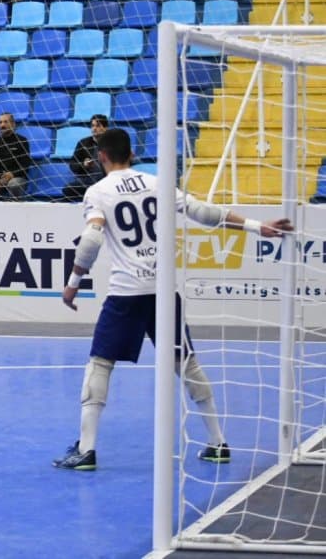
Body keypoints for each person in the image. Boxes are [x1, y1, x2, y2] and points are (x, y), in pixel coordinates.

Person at [54, 128, 293, 470]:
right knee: (186, 362)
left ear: (101, 157)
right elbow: (203, 212)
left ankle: (87, 450)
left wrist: (73, 282)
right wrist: (258, 226)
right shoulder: (156, 183)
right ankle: (218, 441)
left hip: (127, 292)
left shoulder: (97, 191)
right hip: (164, 289)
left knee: (101, 363)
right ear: (132, 155)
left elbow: (91, 238)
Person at [62, 114, 109, 203]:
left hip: (106, 181)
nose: (94, 129)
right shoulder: (83, 143)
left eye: (98, 126)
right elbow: (73, 165)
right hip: (88, 181)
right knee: (68, 190)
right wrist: (83, 165)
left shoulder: (111, 143)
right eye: (92, 126)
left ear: (106, 128)